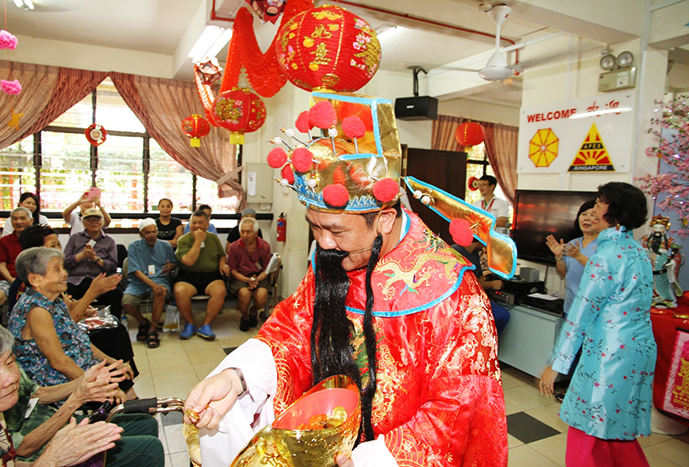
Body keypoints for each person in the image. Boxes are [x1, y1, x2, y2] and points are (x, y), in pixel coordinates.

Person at [184, 92, 506, 466]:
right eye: (314, 226)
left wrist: (374, 459)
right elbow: (295, 328)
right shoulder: (333, 256)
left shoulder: (451, 291)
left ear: (384, 219)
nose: (322, 243)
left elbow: (460, 406)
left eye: (335, 230)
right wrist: (239, 377)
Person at [540, 182, 656, 467]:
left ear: (612, 213)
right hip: (638, 350)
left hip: (609, 354)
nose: (593, 209)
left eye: (599, 204)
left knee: (587, 427)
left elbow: (580, 315)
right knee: (616, 429)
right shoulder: (638, 251)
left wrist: (556, 365)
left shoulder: (605, 258)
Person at [0, 321, 126, 467]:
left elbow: (9, 463)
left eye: (10, 362)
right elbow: (24, 448)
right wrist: (49, 461)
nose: (11, 378)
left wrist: (81, 383)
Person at [8, 248, 137, 399]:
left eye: (63, 268)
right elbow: (59, 363)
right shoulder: (37, 311)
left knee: (119, 371)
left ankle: (132, 409)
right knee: (115, 379)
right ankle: (129, 411)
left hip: (79, 364)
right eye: (57, 269)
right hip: (52, 380)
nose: (65, 274)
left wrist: (112, 361)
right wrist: (99, 386)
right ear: (35, 279)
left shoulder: (53, 299)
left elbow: (77, 338)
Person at [122, 218, 177, 349]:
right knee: (126, 302)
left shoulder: (165, 246)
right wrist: (153, 285)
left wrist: (172, 266)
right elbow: (136, 272)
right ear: (141, 234)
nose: (152, 235)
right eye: (148, 233)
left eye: (154, 232)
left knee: (161, 292)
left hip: (160, 280)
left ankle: (152, 329)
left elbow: (174, 262)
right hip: (138, 282)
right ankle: (143, 322)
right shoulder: (134, 246)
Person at [175, 210, 229, 340]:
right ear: (189, 224)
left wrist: (222, 264)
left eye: (201, 223)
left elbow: (221, 255)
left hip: (211, 276)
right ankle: (190, 324)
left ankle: (206, 325)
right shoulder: (183, 240)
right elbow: (189, 261)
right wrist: (198, 241)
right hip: (188, 276)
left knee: (220, 290)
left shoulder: (213, 238)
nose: (197, 226)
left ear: (207, 224)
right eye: (194, 223)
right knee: (179, 291)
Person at [63, 207, 123, 320]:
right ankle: (71, 326)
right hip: (76, 281)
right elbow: (64, 262)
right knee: (64, 292)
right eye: (89, 219)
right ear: (84, 223)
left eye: (97, 219)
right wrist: (81, 256)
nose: (93, 222)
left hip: (99, 281)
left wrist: (96, 259)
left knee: (116, 293)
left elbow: (113, 267)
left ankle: (114, 326)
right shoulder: (75, 238)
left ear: (102, 222)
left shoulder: (109, 241)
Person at [545, 200, 599, 318]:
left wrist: (579, 256)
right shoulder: (573, 244)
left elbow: (602, 272)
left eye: (592, 215)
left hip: (593, 310)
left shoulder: (604, 245)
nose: (587, 218)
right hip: (571, 306)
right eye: (584, 214)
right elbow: (563, 273)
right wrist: (559, 256)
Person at [451, 239, 510, 336]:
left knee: (502, 315)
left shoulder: (474, 254)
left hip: (473, 298)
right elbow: (467, 284)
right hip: (458, 300)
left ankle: (487, 344)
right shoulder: (454, 252)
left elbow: (480, 282)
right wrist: (493, 284)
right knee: (500, 315)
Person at [227, 217, 271, 331]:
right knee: (244, 294)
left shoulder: (265, 246)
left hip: (259, 277)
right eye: (242, 231)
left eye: (248, 232)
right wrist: (247, 280)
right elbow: (233, 271)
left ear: (256, 233)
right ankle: (245, 316)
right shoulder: (234, 247)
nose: (245, 235)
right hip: (240, 277)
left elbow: (266, 270)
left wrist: (256, 280)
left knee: (261, 296)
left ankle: (253, 310)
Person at [0, 207, 30, 322]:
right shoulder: (5, 241)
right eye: (15, 219)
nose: (18, 222)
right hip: (7, 279)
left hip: (33, 280)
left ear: (30, 220)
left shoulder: (38, 240)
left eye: (22, 218)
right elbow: (1, 265)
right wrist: (12, 281)